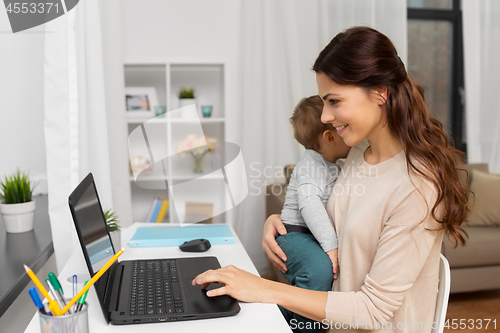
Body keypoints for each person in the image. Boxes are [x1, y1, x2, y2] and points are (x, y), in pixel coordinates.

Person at [192, 27, 471, 333]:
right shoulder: (357, 153)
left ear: (380, 92)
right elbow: (343, 221)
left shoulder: (417, 186)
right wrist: (284, 221)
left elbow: (373, 311)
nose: (325, 116)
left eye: (334, 101)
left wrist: (263, 289)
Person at [278, 96, 350, 332]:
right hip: (295, 233)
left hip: (305, 234)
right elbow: (309, 204)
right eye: (343, 129)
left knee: (316, 278)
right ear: (330, 137)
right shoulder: (312, 165)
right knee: (319, 270)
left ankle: (280, 314)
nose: (348, 136)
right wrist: (331, 246)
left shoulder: (332, 164)